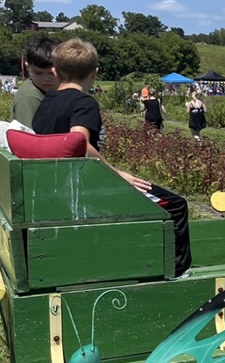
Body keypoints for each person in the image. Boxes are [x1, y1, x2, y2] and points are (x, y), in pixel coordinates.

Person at [32, 39, 191, 277]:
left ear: (55, 70)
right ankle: (176, 272)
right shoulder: (84, 102)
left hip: (56, 184)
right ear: (95, 73)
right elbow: (79, 142)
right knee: (176, 206)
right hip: (85, 185)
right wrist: (117, 174)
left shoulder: (47, 102)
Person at [12, 37, 59, 126]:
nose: (46, 79)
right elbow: (28, 135)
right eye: (38, 73)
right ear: (28, 67)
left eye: (52, 73)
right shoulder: (29, 98)